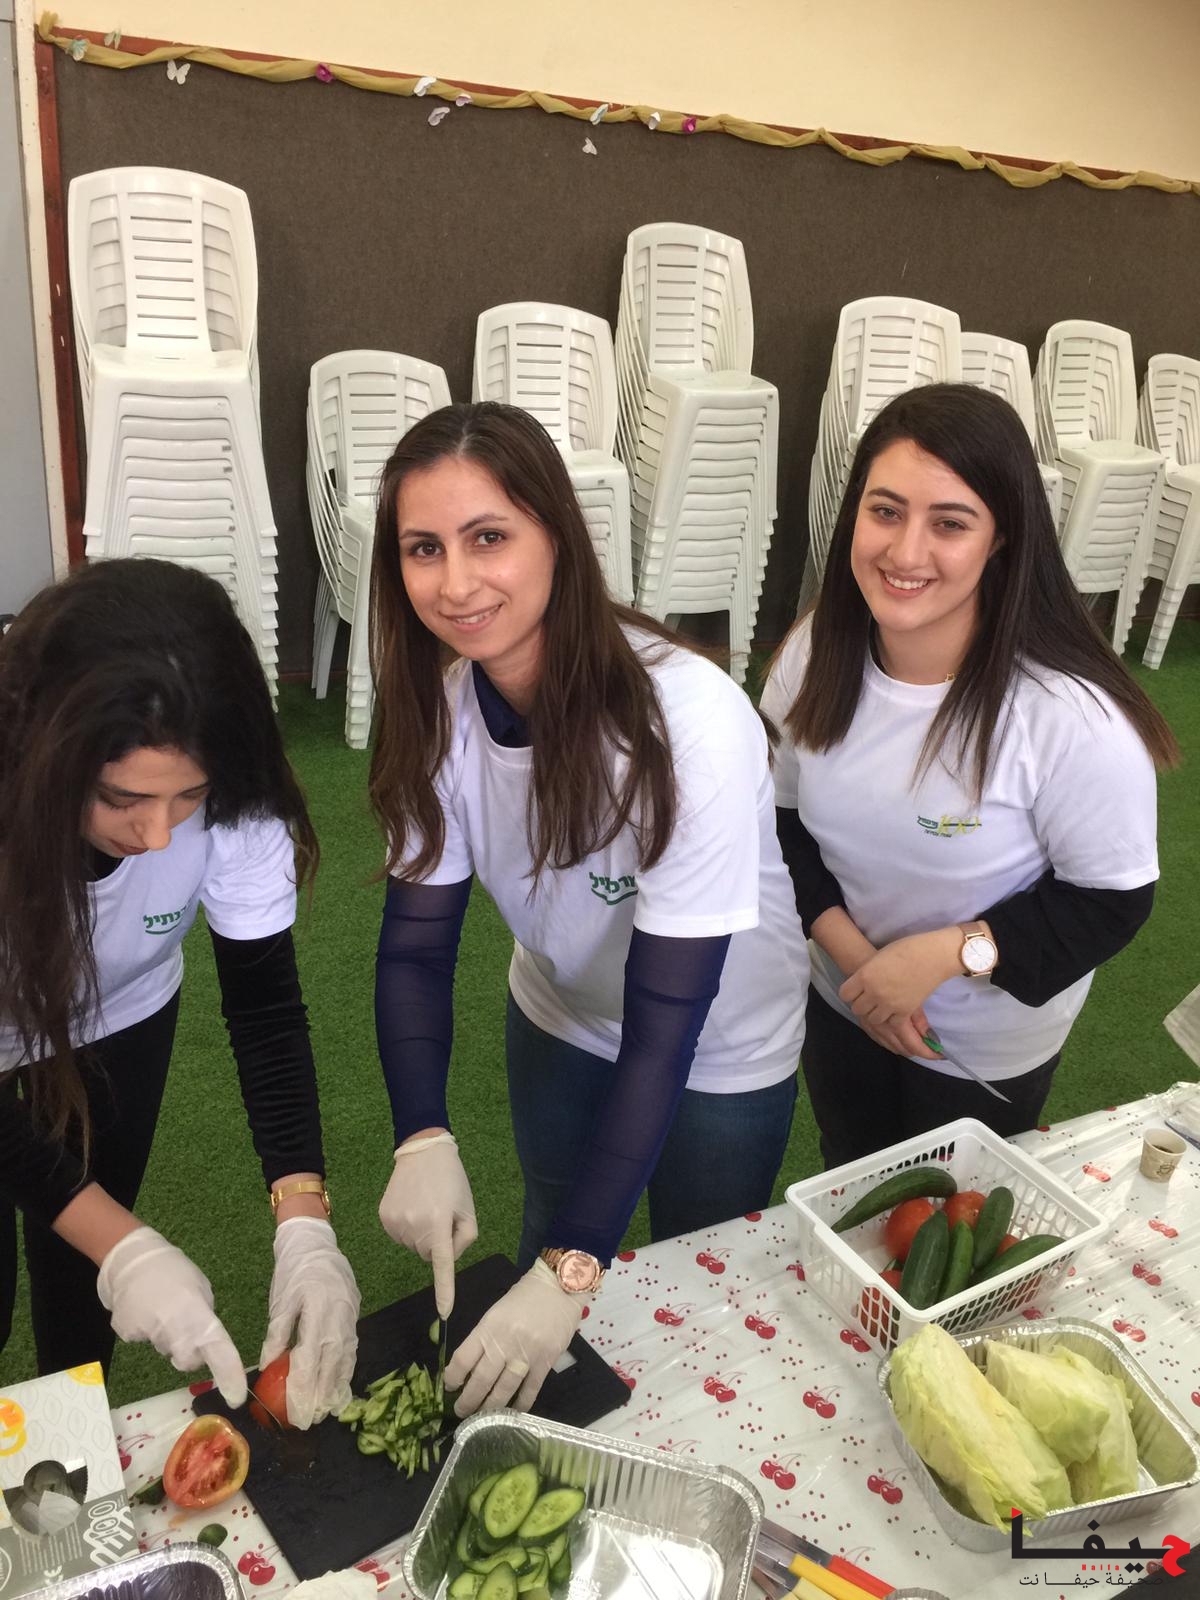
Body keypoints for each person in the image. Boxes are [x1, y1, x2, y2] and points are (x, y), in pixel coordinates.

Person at [368, 401, 808, 1417]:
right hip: (561, 1009)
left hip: (720, 1042)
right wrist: (421, 1133)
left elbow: (666, 1029)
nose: (455, 583)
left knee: (698, 1285)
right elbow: (416, 950)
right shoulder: (438, 709)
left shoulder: (689, 718)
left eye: (488, 538)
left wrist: (572, 1271)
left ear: (558, 538)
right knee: (552, 1221)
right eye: (424, 548)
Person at [760, 383, 1178, 1169]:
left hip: (979, 1048)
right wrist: (864, 969)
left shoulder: (1071, 716)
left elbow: (1110, 902)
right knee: (847, 1166)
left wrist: (951, 955)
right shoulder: (816, 650)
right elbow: (778, 823)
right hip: (844, 999)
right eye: (885, 511)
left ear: (1001, 538)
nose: (905, 552)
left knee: (952, 1213)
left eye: (949, 523)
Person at [0, 559, 359, 1424]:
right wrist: (122, 1243)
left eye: (188, 797)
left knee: (81, 1283)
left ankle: (71, 1447)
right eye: (121, 798)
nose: (159, 837)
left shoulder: (239, 793)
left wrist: (304, 1217)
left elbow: (265, 1008)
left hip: (124, 1008)